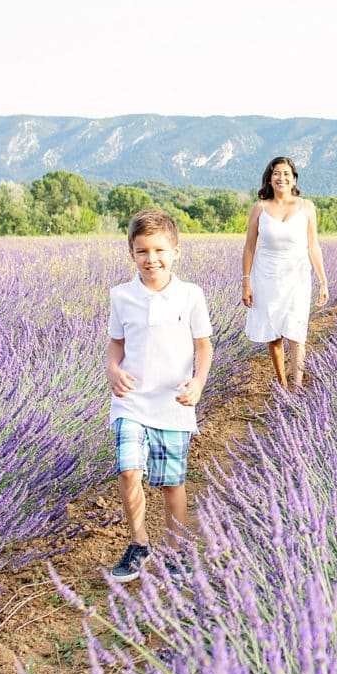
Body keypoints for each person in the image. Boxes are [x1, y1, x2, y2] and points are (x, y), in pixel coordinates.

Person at [106, 209, 214, 583]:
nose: (151, 259)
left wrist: (198, 382)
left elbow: (204, 346)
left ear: (175, 251)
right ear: (131, 254)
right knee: (127, 470)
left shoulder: (190, 295)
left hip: (173, 404)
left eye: (159, 250)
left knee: (172, 482)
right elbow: (115, 345)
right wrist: (112, 370)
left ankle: (176, 550)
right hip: (131, 400)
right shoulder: (121, 296)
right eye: (142, 252)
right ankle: (139, 543)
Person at [241, 156, 329, 387]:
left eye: (286, 173)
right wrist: (246, 282)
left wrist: (323, 280)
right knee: (274, 335)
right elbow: (249, 247)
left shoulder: (306, 207)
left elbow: (313, 245)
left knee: (296, 332)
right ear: (269, 179)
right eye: (276, 173)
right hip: (266, 277)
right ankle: (282, 382)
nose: (281, 178)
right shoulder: (259, 208)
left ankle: (297, 387)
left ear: (294, 178)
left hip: (297, 277)